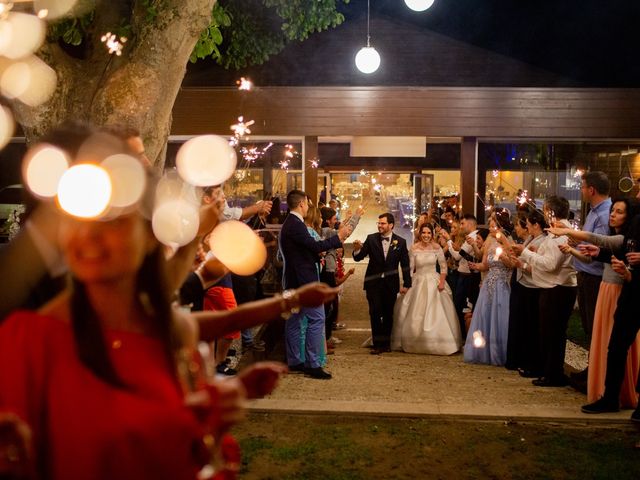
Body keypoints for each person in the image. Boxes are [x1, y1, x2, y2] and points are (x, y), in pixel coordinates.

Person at [0, 127, 340, 479]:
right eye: (76, 221)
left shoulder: (157, 328)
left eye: (114, 222)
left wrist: (214, 415)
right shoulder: (27, 341)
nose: (89, 237)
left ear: (149, 236)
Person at [548, 197, 640, 410]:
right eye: (613, 210)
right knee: (612, 345)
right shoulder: (629, 230)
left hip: (622, 290)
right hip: (616, 289)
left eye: (619, 211)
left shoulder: (627, 231)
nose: (613, 214)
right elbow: (611, 248)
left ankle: (617, 395)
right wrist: (596, 253)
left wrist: (569, 232)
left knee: (617, 345)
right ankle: (607, 393)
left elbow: (607, 242)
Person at [278, 190, 352, 379]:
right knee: (317, 319)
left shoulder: (290, 224)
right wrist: (338, 237)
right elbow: (315, 246)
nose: (308, 207)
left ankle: (295, 360)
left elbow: (302, 251)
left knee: (294, 321)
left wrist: (314, 254)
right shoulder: (296, 225)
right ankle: (312, 364)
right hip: (304, 282)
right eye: (307, 204)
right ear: (301, 203)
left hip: (292, 280)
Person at [512, 195, 577, 387]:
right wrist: (534, 252)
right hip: (552, 287)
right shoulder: (555, 232)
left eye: (546, 210)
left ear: (550, 211)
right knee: (549, 333)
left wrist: (525, 253)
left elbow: (550, 265)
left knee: (553, 334)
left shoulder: (561, 234)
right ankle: (548, 371)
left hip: (557, 289)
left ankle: (553, 374)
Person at [392, 224, 461, 355]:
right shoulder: (414, 248)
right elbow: (410, 269)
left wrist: (441, 282)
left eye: (429, 233)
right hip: (418, 280)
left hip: (433, 281)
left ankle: (438, 342)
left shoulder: (436, 248)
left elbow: (443, 267)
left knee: (436, 310)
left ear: (432, 234)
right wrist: (406, 284)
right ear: (420, 234)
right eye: (424, 233)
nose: (426, 235)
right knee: (413, 311)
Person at [572, 171, 612, 382]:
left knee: (596, 327)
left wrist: (572, 248)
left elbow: (596, 252)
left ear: (592, 190)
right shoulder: (593, 212)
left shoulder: (605, 215)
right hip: (586, 274)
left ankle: (598, 372)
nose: (581, 190)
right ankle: (592, 368)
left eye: (582, 186)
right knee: (588, 325)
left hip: (595, 278)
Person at [353, 213, 411, 355]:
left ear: (391, 225)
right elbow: (359, 257)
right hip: (373, 283)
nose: (380, 226)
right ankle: (377, 344)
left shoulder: (401, 242)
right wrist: (356, 249)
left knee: (388, 313)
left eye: (383, 223)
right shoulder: (371, 238)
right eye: (379, 223)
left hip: (390, 284)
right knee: (374, 312)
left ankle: (386, 343)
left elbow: (405, 264)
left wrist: (407, 283)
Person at [463, 216, 513, 366]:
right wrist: (475, 266)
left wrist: (504, 257)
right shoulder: (489, 242)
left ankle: (500, 352)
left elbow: (512, 264)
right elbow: (484, 264)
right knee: (484, 316)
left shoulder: (508, 242)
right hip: (488, 284)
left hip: (502, 284)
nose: (490, 229)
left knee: (499, 317)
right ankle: (482, 352)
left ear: (501, 228)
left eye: (493, 227)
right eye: (490, 226)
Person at [505, 210, 547, 377]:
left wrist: (520, 264)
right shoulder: (531, 239)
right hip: (523, 283)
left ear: (536, 225)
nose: (526, 227)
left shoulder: (542, 241)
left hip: (532, 286)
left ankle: (532, 362)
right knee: (522, 325)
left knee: (531, 327)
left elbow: (538, 266)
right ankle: (520, 359)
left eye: (528, 224)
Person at [448, 214, 480, 339]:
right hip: (463, 275)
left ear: (471, 224)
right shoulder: (468, 237)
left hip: (467, 277)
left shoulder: (472, 237)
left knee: (461, 306)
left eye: (462, 224)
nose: (461, 227)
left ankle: (462, 335)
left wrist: (448, 241)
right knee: (460, 305)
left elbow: (457, 256)